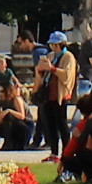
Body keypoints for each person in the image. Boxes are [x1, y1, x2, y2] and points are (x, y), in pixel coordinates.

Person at [36, 31, 77, 160]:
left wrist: (52, 68)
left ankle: (67, 152)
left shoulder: (68, 57)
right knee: (50, 125)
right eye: (51, 45)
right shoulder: (50, 55)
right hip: (48, 95)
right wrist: (40, 69)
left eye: (55, 44)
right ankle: (54, 152)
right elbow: (41, 73)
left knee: (62, 125)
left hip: (60, 95)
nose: (53, 47)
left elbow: (67, 75)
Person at [0, 73, 35, 151]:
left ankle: (10, 144)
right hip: (15, 124)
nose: (0, 94)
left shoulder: (16, 99)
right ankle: (9, 142)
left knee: (9, 116)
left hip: (26, 125)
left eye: (2, 92)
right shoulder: (4, 101)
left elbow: (22, 116)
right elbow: (1, 120)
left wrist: (9, 111)